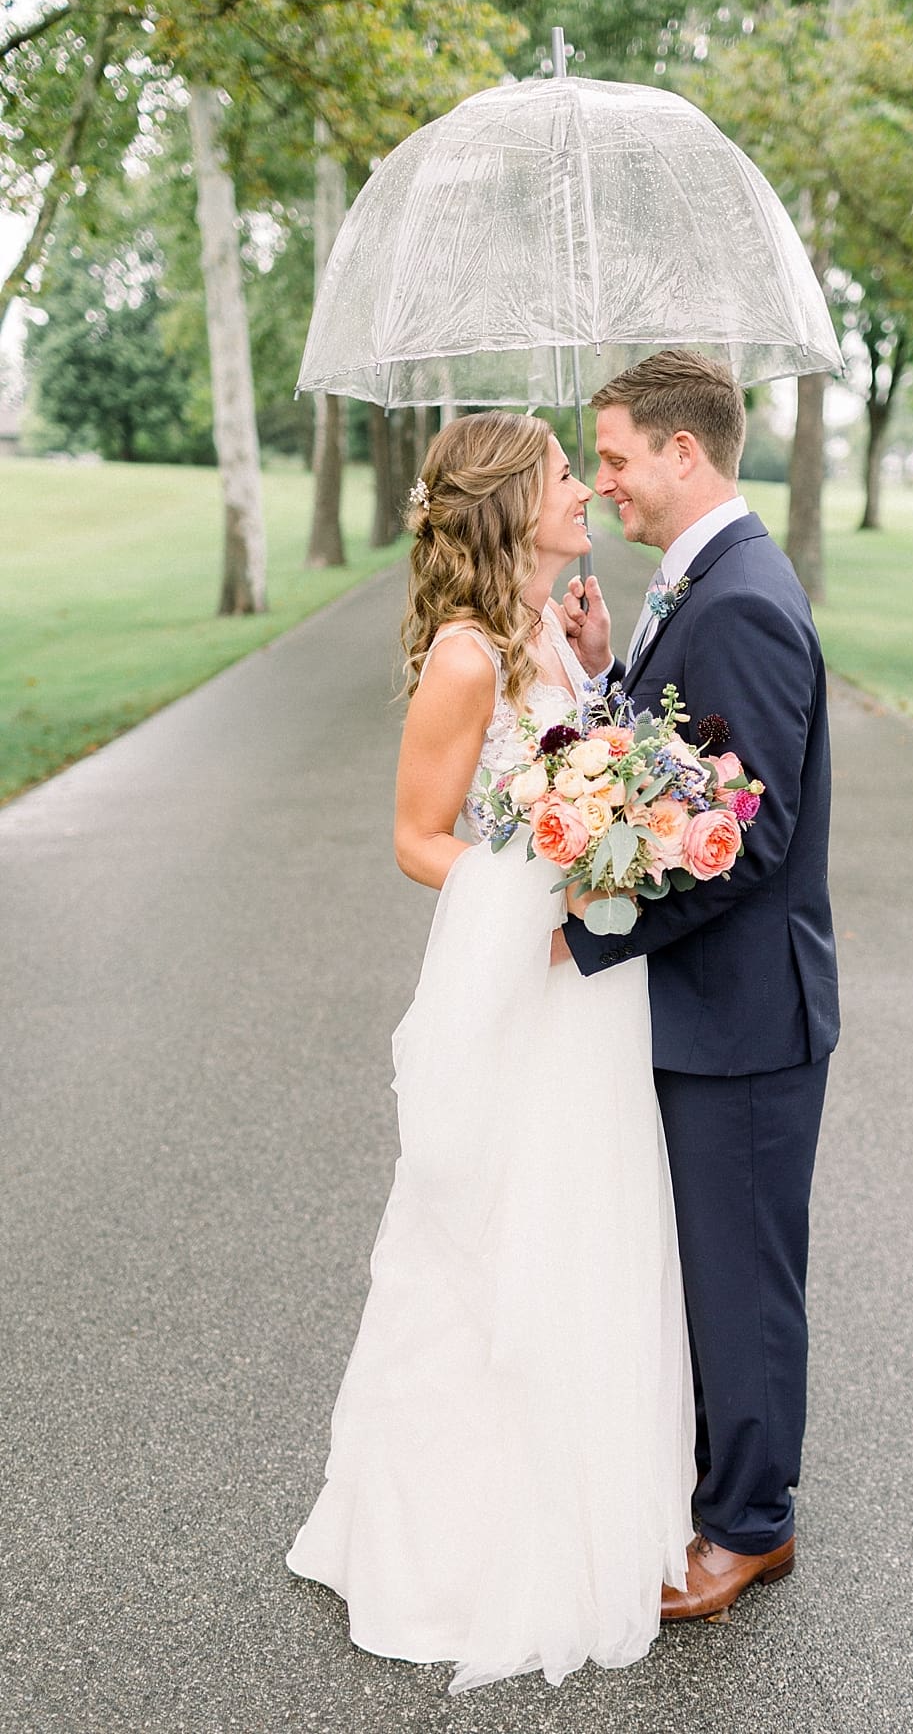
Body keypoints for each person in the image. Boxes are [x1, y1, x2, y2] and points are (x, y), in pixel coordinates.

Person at [286, 411, 693, 1693]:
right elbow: (417, 837)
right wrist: (543, 892)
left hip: (586, 991)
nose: (590, 486)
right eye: (572, 473)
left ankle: (595, 1499)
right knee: (491, 1245)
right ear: (517, 504)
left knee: (588, 1228)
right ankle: (461, 1549)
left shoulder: (554, 629)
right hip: (522, 981)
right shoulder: (465, 657)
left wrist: (596, 668)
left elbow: (590, 768)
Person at [559, 349, 839, 1623]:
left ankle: (750, 1526)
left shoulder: (744, 601)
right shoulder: (698, 584)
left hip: (746, 1017)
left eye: (615, 456)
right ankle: (722, 1486)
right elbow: (684, 757)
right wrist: (614, 663)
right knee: (705, 1266)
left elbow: (746, 839)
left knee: (741, 1277)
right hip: (707, 1012)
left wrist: (598, 932)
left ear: (685, 452)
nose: (606, 479)